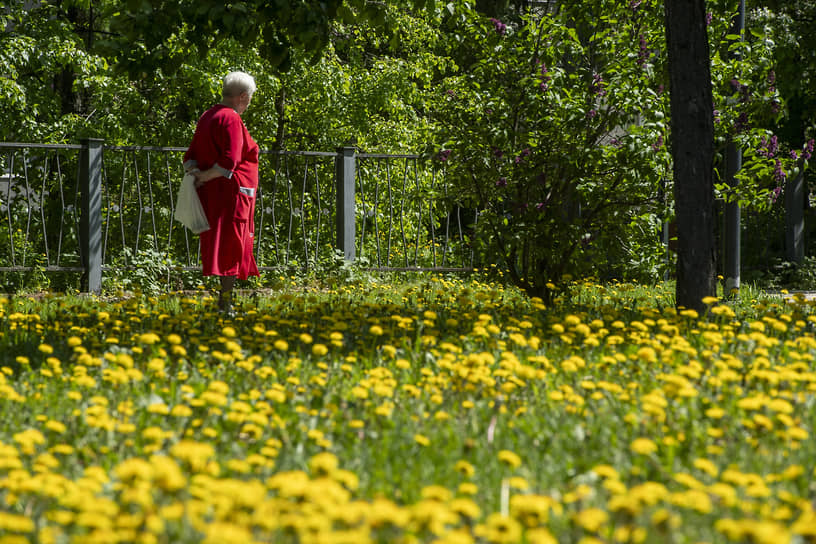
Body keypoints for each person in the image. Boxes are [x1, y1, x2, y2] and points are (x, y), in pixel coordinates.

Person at [183, 71, 260, 314]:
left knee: (223, 245)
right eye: (250, 98)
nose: (249, 103)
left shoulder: (208, 115)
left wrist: (197, 175)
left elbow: (190, 156)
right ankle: (225, 305)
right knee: (231, 246)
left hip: (216, 193)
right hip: (232, 195)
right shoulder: (231, 119)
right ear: (242, 96)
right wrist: (205, 176)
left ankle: (225, 303)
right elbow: (231, 160)